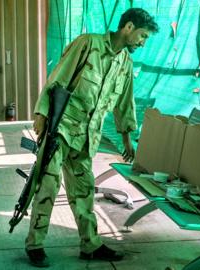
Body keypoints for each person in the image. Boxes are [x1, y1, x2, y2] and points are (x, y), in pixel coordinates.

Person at [25, 8, 159, 267]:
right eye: (143, 36)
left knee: (84, 190)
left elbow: (124, 103)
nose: (143, 43)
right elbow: (58, 77)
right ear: (128, 27)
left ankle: (90, 245)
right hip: (62, 128)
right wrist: (41, 113)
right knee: (48, 186)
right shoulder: (88, 45)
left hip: (87, 137)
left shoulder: (125, 64)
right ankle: (35, 244)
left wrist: (127, 138)